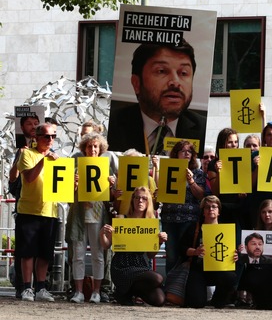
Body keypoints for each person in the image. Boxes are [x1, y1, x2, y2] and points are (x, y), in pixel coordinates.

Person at [107, 40, 207, 156]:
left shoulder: (202, 129)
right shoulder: (114, 126)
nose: (175, 82)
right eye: (161, 71)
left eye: (184, 73)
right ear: (136, 83)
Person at [66, 133, 114, 303]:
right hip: (79, 217)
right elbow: (66, 196)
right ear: (84, 149)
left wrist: (113, 185)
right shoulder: (76, 168)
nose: (93, 149)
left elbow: (114, 196)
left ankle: (97, 291)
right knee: (78, 255)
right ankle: (78, 291)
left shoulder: (107, 169)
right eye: (89, 146)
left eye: (96, 146)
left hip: (98, 216)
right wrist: (73, 185)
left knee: (98, 254)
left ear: (100, 149)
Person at [15, 123, 60, 302]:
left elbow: (60, 185)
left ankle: (41, 288)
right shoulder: (26, 154)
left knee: (45, 252)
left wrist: (74, 182)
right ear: (37, 137)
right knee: (27, 252)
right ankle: (27, 288)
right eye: (46, 136)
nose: (50, 140)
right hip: (29, 210)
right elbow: (29, 177)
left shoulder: (57, 158)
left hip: (50, 210)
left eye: (53, 136)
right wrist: (43, 160)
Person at [100, 186, 167, 306]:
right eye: (137, 198)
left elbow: (151, 255)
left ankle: (124, 293)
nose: (140, 201)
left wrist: (160, 242)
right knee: (158, 278)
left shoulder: (151, 224)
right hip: (122, 265)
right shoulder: (121, 219)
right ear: (132, 200)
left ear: (148, 202)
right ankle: (124, 290)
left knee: (159, 300)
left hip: (141, 265)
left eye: (144, 198)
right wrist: (103, 234)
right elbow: (106, 246)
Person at [182, 195, 240, 309]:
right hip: (198, 269)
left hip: (219, 269)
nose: (211, 210)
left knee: (231, 277)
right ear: (203, 211)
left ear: (219, 211)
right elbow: (182, 248)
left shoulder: (226, 230)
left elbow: (232, 252)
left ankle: (218, 300)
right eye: (207, 207)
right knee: (196, 303)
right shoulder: (195, 228)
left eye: (214, 207)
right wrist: (195, 251)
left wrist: (235, 255)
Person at [162, 139, 209, 274]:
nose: (187, 154)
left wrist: (192, 182)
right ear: (176, 154)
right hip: (169, 219)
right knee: (171, 255)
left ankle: (182, 290)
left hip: (189, 220)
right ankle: (170, 289)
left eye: (189, 151)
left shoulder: (198, 172)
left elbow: (201, 196)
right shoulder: (168, 169)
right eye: (183, 151)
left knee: (186, 254)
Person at [239, 198, 272, 310]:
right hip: (260, 269)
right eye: (263, 212)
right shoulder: (254, 232)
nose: (267, 215)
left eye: (270, 212)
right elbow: (247, 257)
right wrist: (243, 250)